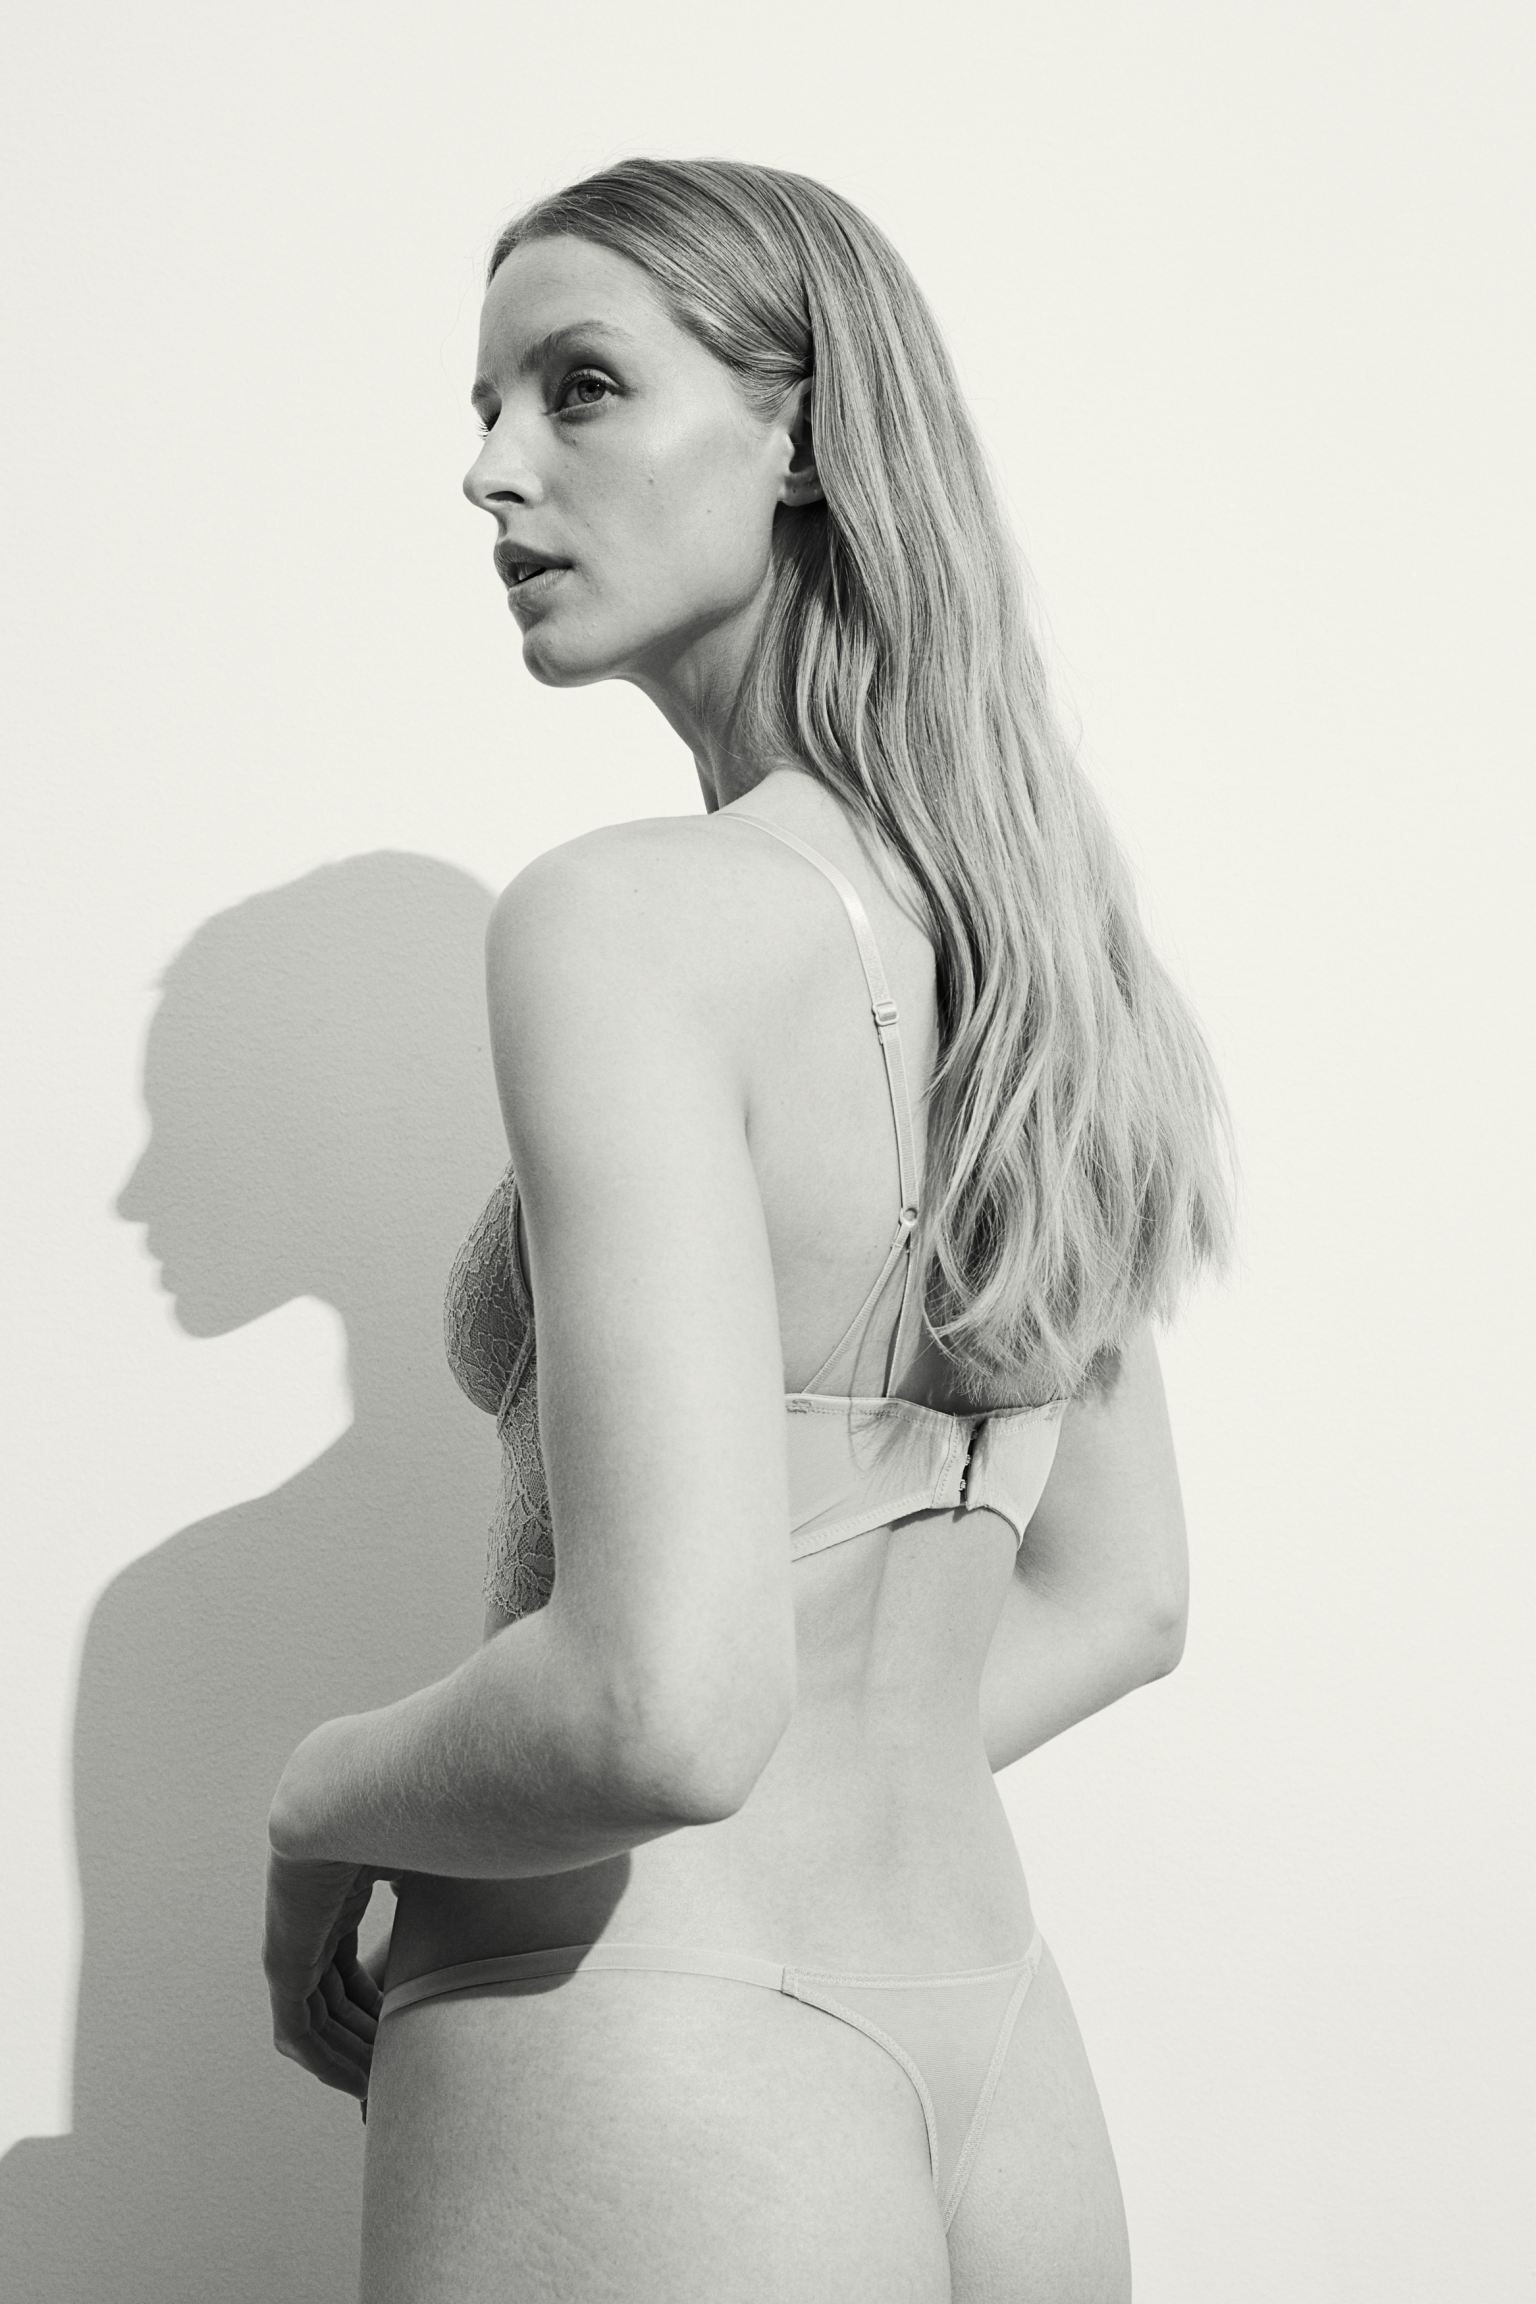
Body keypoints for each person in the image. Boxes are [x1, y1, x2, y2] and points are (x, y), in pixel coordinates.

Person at [262, 156, 1231, 2302]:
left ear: (800, 433)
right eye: (487, 405)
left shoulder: (621, 920)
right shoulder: (1035, 954)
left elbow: (663, 1713)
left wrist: (322, 1799)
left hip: (648, 2035)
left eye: (580, 386)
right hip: (996, 2046)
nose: (491, 469)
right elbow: (1124, 1595)